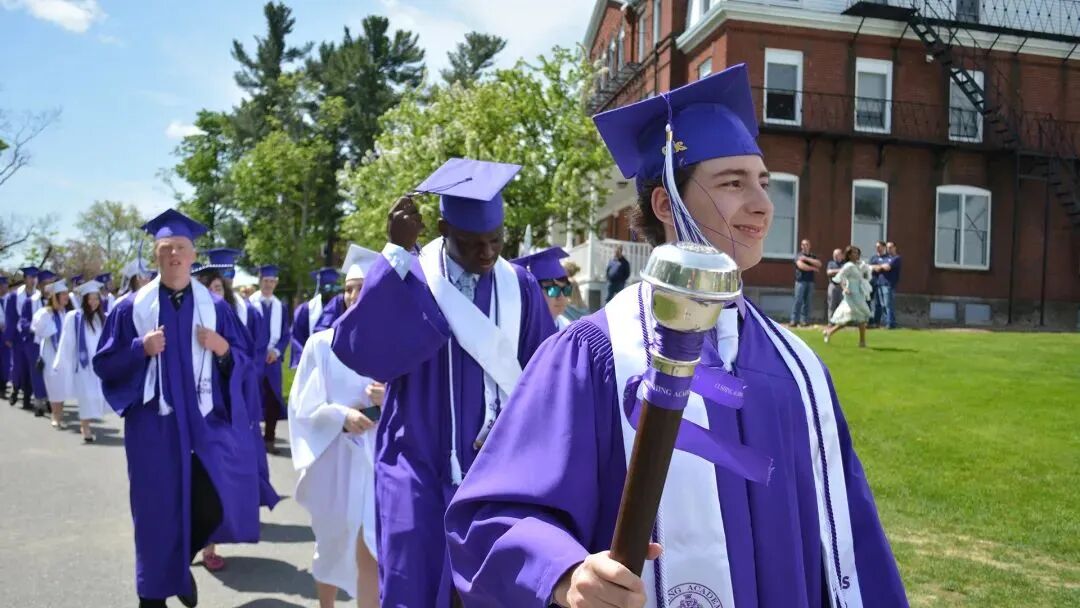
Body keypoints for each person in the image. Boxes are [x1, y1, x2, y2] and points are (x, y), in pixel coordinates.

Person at [445, 64, 907, 608]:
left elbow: (849, 535)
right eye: (733, 183)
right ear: (666, 205)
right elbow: (492, 516)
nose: (762, 204)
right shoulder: (595, 355)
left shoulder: (796, 369)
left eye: (763, 182)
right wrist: (566, 573)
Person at [329, 157, 556, 607]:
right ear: (442, 229)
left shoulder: (521, 286)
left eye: (496, 240)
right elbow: (359, 350)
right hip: (415, 465)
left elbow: (545, 379)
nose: (487, 254)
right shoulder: (412, 276)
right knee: (413, 584)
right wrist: (394, 253)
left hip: (497, 471)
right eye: (471, 243)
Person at [93, 209, 260, 608]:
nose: (173, 255)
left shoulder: (216, 308)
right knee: (154, 511)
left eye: (181, 248)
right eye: (166, 248)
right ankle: (153, 597)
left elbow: (245, 361)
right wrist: (140, 348)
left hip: (205, 421)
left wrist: (223, 349)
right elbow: (106, 365)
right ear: (155, 254)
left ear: (193, 255)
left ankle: (177, 566)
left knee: (214, 501)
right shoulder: (130, 309)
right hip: (154, 424)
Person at [290, 244, 383, 608]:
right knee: (331, 543)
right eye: (348, 289)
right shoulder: (321, 345)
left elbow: (416, 402)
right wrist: (342, 416)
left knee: (373, 545)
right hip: (335, 458)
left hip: (377, 459)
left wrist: (389, 398)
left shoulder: (394, 345)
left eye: (362, 288)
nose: (354, 295)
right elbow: (303, 406)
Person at [54, 280, 110, 442]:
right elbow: (66, 341)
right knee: (86, 395)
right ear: (84, 300)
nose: (93, 302)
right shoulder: (74, 317)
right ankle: (85, 427)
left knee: (96, 395)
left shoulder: (103, 318)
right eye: (90, 299)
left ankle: (86, 423)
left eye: (96, 299)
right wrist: (60, 361)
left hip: (98, 364)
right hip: (82, 364)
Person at [249, 265, 289, 457]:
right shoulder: (249, 304)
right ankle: (253, 440)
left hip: (272, 362)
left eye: (272, 281)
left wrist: (277, 351)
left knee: (273, 400)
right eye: (266, 281)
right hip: (253, 360)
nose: (268, 285)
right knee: (252, 399)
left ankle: (270, 440)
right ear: (260, 281)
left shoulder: (280, 306)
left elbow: (285, 334)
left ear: (276, 283)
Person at [31, 278, 73, 426]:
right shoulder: (45, 313)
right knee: (53, 384)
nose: (67, 297)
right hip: (50, 355)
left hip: (64, 355)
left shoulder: (66, 313)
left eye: (67, 294)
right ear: (56, 296)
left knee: (62, 385)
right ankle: (55, 416)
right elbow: (38, 330)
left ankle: (58, 414)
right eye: (63, 294)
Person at [512, 247, 575, 330]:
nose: (561, 297)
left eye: (566, 290)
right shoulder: (517, 328)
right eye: (553, 290)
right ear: (534, 292)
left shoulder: (568, 328)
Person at [290, 268, 340, 369]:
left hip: (337, 363)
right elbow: (296, 337)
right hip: (312, 362)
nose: (330, 292)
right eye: (326, 287)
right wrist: (305, 359)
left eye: (333, 287)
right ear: (319, 287)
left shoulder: (343, 308)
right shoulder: (305, 309)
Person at [825, 246, 873, 347]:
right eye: (854, 253)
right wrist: (844, 288)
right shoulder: (848, 266)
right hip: (851, 293)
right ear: (849, 255)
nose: (856, 255)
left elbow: (865, 277)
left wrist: (866, 271)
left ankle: (862, 342)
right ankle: (830, 332)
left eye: (857, 253)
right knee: (849, 318)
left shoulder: (860, 265)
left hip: (859, 293)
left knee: (860, 317)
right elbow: (840, 277)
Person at [24, 269, 56, 415]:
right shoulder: (30, 301)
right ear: (40, 285)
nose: (48, 287)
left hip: (52, 342)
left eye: (51, 284)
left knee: (52, 371)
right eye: (45, 284)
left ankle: (51, 399)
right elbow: (23, 321)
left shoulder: (57, 301)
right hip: (35, 342)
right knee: (37, 372)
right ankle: (39, 402)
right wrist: (33, 328)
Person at [5, 266, 38, 409]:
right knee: (18, 366)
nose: (33, 280)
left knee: (31, 367)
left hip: (33, 336)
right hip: (18, 337)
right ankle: (15, 389)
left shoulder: (38, 296)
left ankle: (26, 398)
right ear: (24, 279)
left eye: (35, 277)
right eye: (30, 277)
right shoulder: (14, 296)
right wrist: (8, 337)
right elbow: (10, 318)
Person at [791, 238, 821, 326]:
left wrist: (806, 259)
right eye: (803, 244)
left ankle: (804, 321)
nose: (805, 246)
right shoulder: (798, 255)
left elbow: (819, 264)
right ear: (801, 246)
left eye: (806, 244)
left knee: (808, 302)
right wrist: (813, 268)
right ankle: (794, 320)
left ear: (809, 246)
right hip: (800, 281)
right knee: (798, 301)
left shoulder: (812, 256)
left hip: (810, 282)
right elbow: (801, 266)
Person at [873, 242, 901, 329]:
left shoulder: (897, 258)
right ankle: (888, 322)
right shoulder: (886, 258)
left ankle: (891, 323)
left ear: (895, 248)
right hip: (880, 283)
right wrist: (881, 266)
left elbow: (887, 267)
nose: (889, 249)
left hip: (888, 284)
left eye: (891, 247)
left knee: (888, 305)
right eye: (888, 248)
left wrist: (880, 267)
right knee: (883, 305)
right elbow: (876, 266)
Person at [868, 241, 888, 327]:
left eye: (879, 247)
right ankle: (869, 320)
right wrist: (877, 267)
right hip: (871, 281)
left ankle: (877, 322)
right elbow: (868, 267)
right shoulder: (873, 258)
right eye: (876, 247)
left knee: (878, 303)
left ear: (884, 247)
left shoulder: (887, 257)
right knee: (867, 301)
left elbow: (886, 267)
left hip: (880, 282)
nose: (877, 248)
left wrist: (877, 267)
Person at [826, 248, 844, 321]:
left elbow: (846, 273)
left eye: (837, 254)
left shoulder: (844, 264)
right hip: (833, 285)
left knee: (842, 305)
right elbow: (829, 272)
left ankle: (840, 321)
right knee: (831, 304)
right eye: (834, 254)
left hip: (842, 286)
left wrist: (834, 271)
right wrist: (840, 271)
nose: (835, 256)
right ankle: (831, 321)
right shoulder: (831, 263)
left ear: (841, 255)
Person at [0, 276, 10, 399]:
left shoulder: (11, 299)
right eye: (1, 285)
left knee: (5, 362)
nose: (3, 287)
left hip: (6, 334)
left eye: (5, 285)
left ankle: (3, 386)